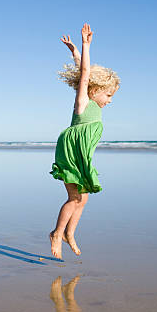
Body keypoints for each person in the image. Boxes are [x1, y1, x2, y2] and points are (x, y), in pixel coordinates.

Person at [49, 23, 120, 259]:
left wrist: (74, 54)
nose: (110, 100)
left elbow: (85, 73)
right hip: (69, 153)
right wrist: (85, 45)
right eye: (108, 94)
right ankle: (57, 234)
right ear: (94, 90)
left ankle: (70, 233)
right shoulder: (83, 102)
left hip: (81, 154)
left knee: (84, 198)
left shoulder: (93, 102)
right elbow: (86, 73)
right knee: (74, 198)